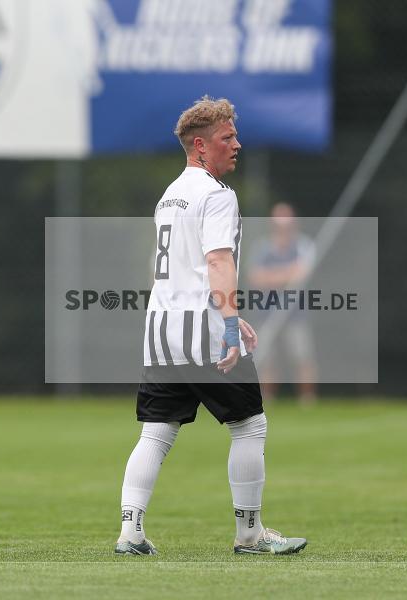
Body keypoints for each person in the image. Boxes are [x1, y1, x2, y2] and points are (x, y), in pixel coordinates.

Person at [114, 96, 307, 556]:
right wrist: (228, 323)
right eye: (227, 138)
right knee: (249, 426)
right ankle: (250, 535)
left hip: (161, 331)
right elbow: (218, 261)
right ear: (200, 146)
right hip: (202, 330)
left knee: (156, 433)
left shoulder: (170, 194)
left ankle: (130, 533)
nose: (237, 144)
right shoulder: (216, 195)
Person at [248, 203, 318, 404]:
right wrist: (287, 274)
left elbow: (302, 275)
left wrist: (272, 276)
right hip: (267, 313)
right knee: (267, 359)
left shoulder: (304, 246)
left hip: (296, 314)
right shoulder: (262, 248)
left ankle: (307, 401)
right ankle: (266, 400)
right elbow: (256, 279)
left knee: (302, 357)